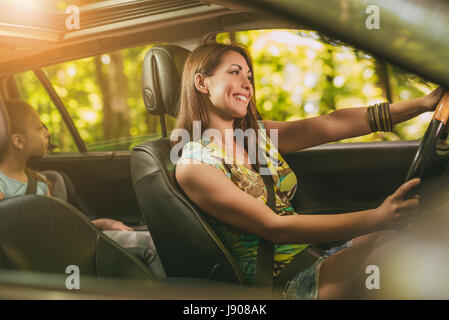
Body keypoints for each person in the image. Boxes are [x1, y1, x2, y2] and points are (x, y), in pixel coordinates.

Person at [173, 43, 446, 299]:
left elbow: (332, 124)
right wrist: (378, 217)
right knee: (404, 256)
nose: (247, 84)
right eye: (235, 72)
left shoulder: (255, 136)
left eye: (249, 76)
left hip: (316, 256)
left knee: (422, 234)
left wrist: (424, 104)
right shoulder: (195, 165)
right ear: (201, 83)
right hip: (283, 282)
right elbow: (275, 227)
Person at [0, 100, 165, 278]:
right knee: (151, 246)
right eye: (40, 128)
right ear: (18, 140)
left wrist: (100, 224)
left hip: (62, 248)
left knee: (154, 240)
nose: (47, 133)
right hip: (44, 260)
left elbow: (58, 230)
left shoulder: (40, 182)